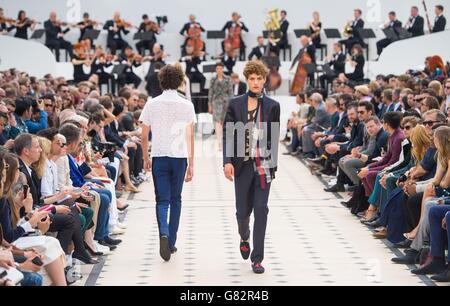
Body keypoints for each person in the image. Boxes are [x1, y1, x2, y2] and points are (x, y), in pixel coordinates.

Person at [223, 60, 280, 274]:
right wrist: (227, 161)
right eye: (252, 79)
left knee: (261, 210)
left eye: (259, 78)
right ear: (247, 80)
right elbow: (228, 133)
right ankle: (244, 236)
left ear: (264, 80)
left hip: (264, 164)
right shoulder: (235, 103)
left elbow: (273, 137)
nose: (256, 82)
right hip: (242, 164)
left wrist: (273, 167)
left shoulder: (273, 106)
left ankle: (257, 259)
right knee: (242, 211)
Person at [140, 64, 195, 262]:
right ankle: (171, 241)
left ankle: (163, 232)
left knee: (162, 200)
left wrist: (146, 157)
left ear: (161, 81)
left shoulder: (151, 104)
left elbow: (144, 135)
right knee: (176, 199)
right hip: (179, 156)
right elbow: (190, 135)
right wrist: (192, 163)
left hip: (159, 155)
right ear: (180, 81)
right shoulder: (187, 105)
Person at [208, 63, 233, 150]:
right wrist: (209, 104)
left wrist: (231, 104)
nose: (219, 70)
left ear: (223, 69)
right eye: (217, 68)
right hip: (216, 102)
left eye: (220, 68)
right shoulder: (213, 79)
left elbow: (230, 92)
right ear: (216, 69)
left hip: (226, 102)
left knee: (225, 122)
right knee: (217, 122)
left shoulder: (228, 79)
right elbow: (210, 92)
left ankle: (225, 141)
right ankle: (219, 142)